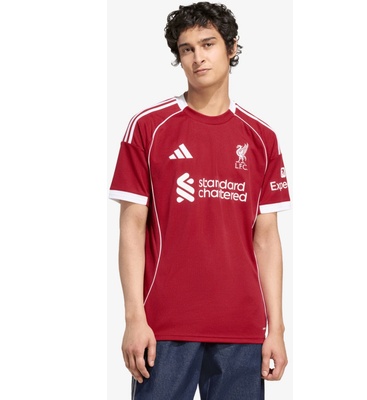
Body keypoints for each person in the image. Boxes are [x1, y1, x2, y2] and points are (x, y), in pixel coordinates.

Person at [109, 2, 291, 399]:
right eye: (187, 49)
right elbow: (132, 228)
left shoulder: (262, 138)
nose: (197, 58)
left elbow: (266, 238)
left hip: (242, 330)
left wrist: (275, 328)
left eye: (208, 44)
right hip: (165, 326)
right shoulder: (149, 127)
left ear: (232, 48)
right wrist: (134, 317)